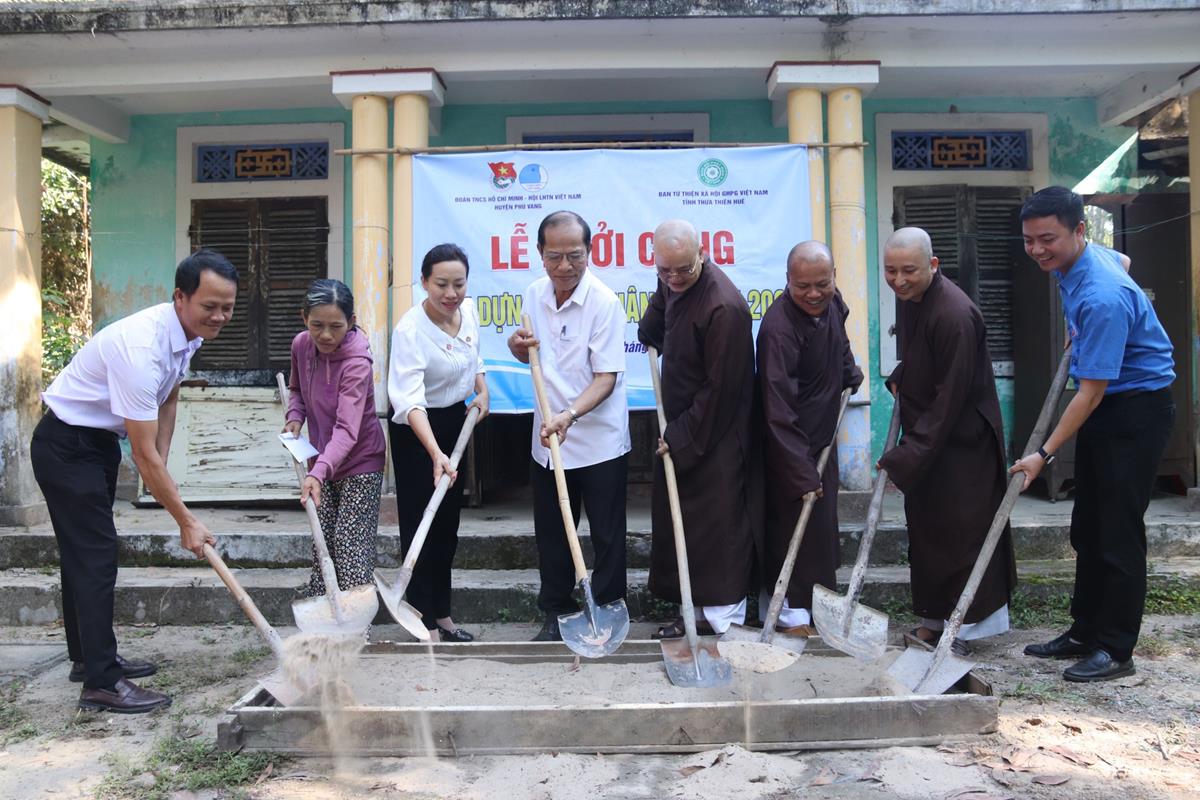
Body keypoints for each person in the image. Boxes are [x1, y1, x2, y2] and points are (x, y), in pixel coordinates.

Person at [31, 248, 238, 713]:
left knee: (84, 555)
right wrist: (185, 520)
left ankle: (88, 660)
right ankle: (102, 683)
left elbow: (170, 397)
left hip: (95, 444)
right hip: (67, 446)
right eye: (210, 306)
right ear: (180, 297)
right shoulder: (141, 348)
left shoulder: (186, 335)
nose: (220, 317)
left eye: (227, 307)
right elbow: (142, 455)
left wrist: (161, 463)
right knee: (95, 557)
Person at [1012, 186, 1175, 682]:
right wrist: (1079, 328)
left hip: (1136, 410)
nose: (1037, 250)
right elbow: (1123, 260)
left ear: (1079, 231)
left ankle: (1116, 649)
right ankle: (1085, 631)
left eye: (1048, 239)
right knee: (1088, 527)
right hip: (1111, 406)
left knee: (1118, 533)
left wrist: (1042, 454)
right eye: (1029, 240)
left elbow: (1087, 396)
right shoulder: (1091, 261)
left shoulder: (1103, 298)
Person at [878, 227, 1017, 650]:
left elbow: (950, 398)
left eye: (908, 270)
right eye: (890, 271)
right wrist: (902, 376)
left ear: (933, 265)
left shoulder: (954, 314)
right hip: (933, 442)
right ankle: (936, 621)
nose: (899, 280)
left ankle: (964, 629)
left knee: (961, 535)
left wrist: (907, 455)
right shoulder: (915, 300)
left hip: (962, 445)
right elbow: (922, 357)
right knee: (929, 534)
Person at [507, 211, 630, 642]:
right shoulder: (533, 294)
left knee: (608, 534)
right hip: (548, 439)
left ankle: (608, 610)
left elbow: (606, 378)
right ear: (540, 254)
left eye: (575, 256)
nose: (565, 266)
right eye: (555, 256)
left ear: (589, 252)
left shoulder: (604, 302)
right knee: (553, 533)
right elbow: (531, 354)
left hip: (597, 439)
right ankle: (556, 611)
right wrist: (516, 346)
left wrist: (570, 416)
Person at [637, 219, 756, 637]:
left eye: (683, 270)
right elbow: (657, 321)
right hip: (684, 425)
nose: (673, 278)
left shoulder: (724, 307)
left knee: (717, 522)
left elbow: (720, 389)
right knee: (683, 520)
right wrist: (651, 322)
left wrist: (679, 435)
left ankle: (722, 617)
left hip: (717, 432)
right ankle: (694, 608)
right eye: (664, 270)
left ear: (702, 254)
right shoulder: (672, 279)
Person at [755, 241, 863, 634]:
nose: (814, 294)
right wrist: (800, 471)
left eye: (822, 283)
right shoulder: (777, 329)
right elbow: (777, 408)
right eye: (803, 286)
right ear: (788, 281)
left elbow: (840, 339)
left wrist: (849, 370)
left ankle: (819, 608)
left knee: (820, 532)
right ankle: (790, 614)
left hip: (823, 439)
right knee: (789, 530)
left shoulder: (832, 302)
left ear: (833, 276)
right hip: (787, 447)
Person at [388, 244, 489, 642]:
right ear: (424, 282)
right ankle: (422, 621)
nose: (451, 293)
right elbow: (409, 402)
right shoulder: (410, 331)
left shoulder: (469, 312)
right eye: (441, 284)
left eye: (458, 284)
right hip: (417, 432)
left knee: (447, 527)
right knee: (422, 526)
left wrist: (482, 390)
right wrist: (434, 453)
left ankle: (443, 615)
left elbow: (474, 360)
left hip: (455, 423)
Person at [283, 279, 387, 606]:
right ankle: (324, 615)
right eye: (317, 325)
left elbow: (347, 429)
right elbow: (297, 390)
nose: (326, 335)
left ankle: (357, 619)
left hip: (361, 460)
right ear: (304, 318)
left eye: (336, 326)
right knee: (322, 541)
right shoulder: (301, 345)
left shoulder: (357, 363)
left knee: (349, 543)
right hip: (321, 460)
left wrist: (318, 472)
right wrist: (295, 416)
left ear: (351, 322)